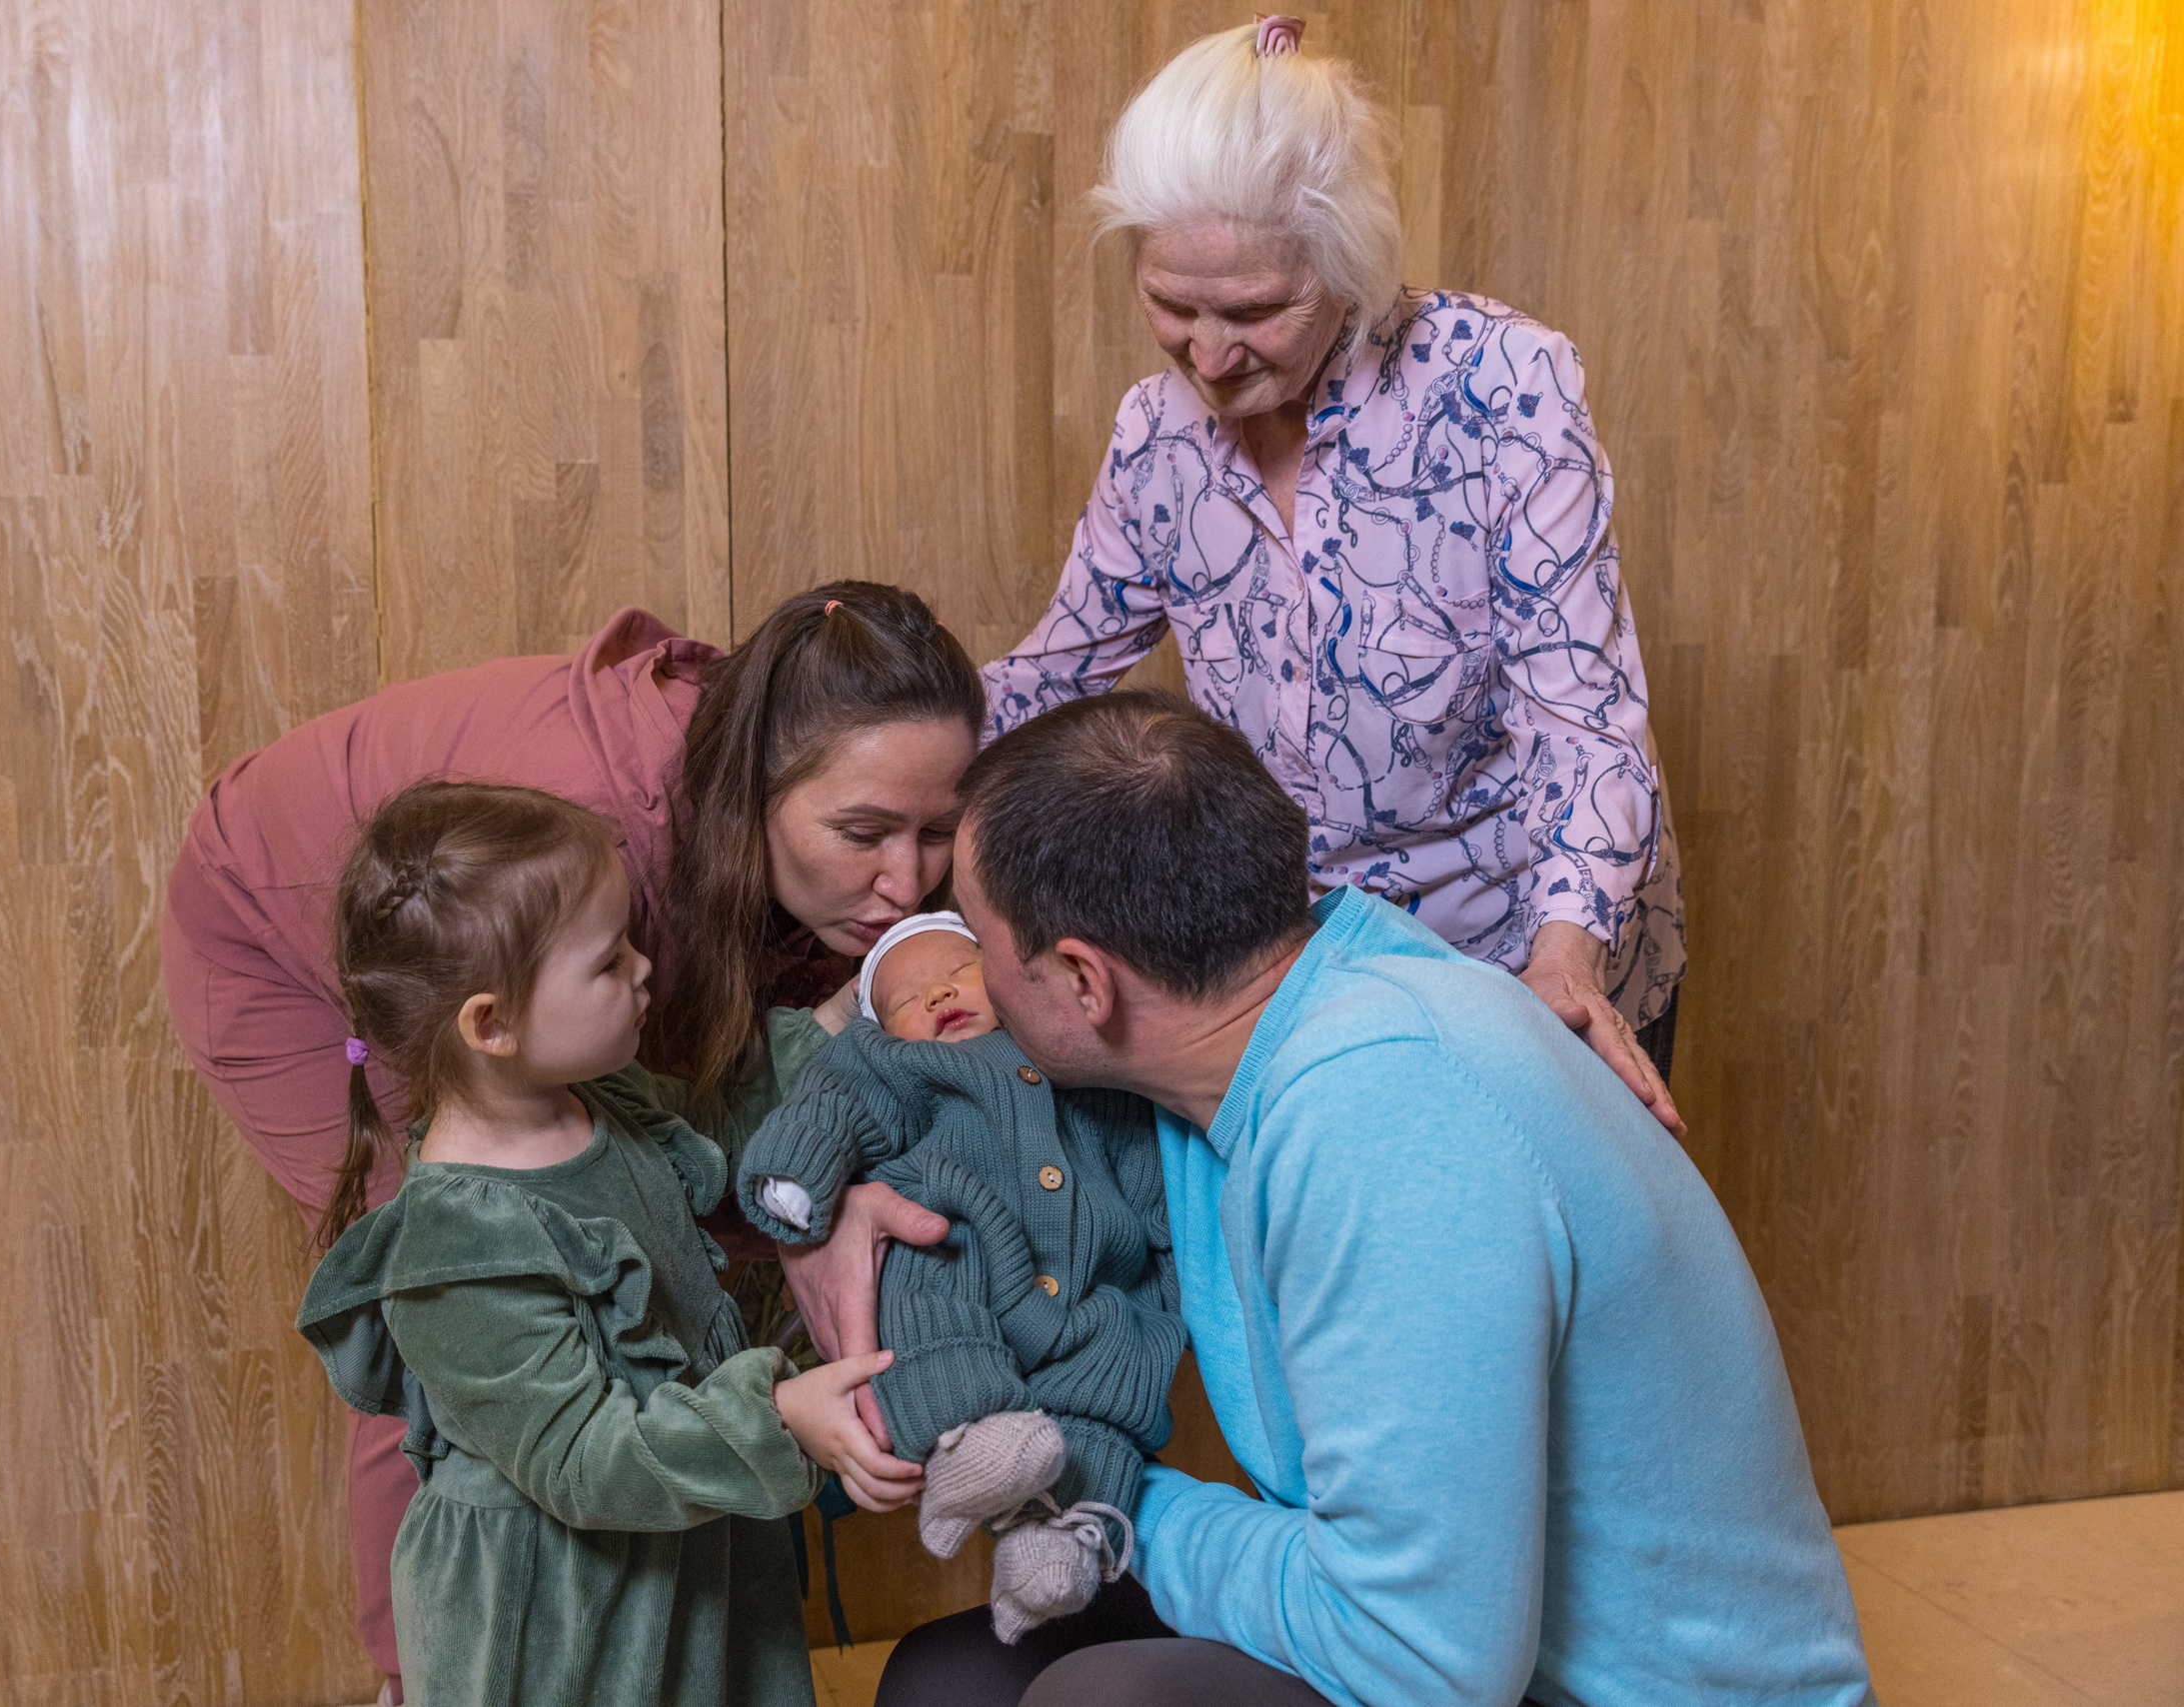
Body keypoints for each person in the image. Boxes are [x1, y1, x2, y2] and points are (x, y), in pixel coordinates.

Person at [868, 690, 1872, 1707]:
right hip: (1480, 1644)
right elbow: (922, 1114)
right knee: (947, 1684)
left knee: (1103, 1702)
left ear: (1084, 981)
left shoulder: (1381, 1108)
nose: (977, 987)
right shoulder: (1254, 1026)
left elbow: (1420, 1662)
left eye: (983, 952)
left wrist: (1115, 1506)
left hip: (1565, 1683)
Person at [160, 584, 964, 1693]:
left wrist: (826, 1046)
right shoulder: (589, 881)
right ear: (756, 795)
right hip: (272, 923)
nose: (910, 880)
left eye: (940, 830)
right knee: (482, 1378)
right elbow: (578, 1443)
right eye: (865, 833)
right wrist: (771, 1407)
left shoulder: (604, 1071)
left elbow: (710, 1136)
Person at [984, 17, 1686, 1134]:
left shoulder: (1502, 387)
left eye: (1255, 310)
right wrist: (860, 754)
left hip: (1531, 957)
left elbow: (1581, 720)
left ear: (1344, 263)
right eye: (1173, 304)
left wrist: (1563, 958)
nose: (1208, 357)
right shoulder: (1155, 438)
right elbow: (1052, 675)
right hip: (1304, 986)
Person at [296, 781, 916, 1707]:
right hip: (562, 1621)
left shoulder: (600, 1097)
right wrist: (777, 1417)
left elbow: (722, 1123)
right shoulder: (457, 1247)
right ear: (491, 1023)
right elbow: (588, 1460)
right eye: (606, 960)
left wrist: (849, 1015)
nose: (642, 971)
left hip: (683, 1547)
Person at [736, 913, 1182, 1642]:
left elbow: (1138, 1151)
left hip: (1091, 1286)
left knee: (1114, 1375)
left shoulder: (1068, 1048)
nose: (938, 991)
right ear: (881, 1030)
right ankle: (962, 1443)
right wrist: (798, 1177)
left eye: (956, 968)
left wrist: (1174, 1258)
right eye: (908, 997)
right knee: (922, 1291)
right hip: (964, 1237)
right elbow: (832, 1106)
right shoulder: (894, 1064)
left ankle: (1063, 1544)